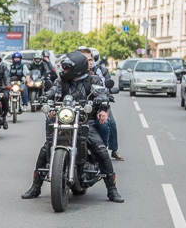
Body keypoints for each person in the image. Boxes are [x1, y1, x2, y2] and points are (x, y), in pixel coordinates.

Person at [20, 51, 123, 203]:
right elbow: (53, 91)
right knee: (45, 148)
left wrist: (102, 106)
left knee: (100, 149)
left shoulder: (93, 79)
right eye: (64, 67)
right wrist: (45, 98)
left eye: (67, 68)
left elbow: (102, 95)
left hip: (86, 121)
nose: (64, 70)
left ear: (77, 68)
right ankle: (36, 186)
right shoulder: (62, 81)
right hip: (65, 120)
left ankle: (112, 189)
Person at [87, 46, 124, 161]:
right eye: (88, 59)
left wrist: (108, 96)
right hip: (84, 103)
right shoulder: (77, 72)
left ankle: (113, 150)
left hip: (101, 102)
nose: (91, 61)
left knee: (110, 123)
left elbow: (108, 86)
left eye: (92, 59)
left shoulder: (103, 71)